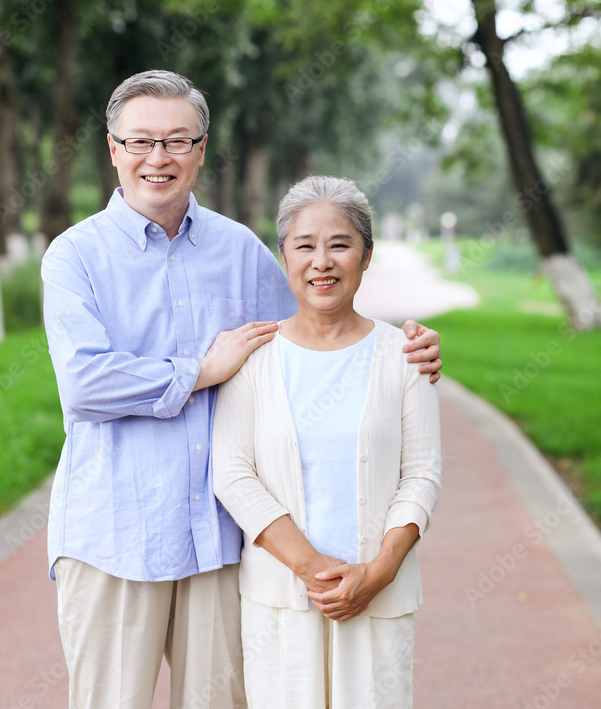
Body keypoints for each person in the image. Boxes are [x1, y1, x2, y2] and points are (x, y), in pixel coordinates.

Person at [41, 70, 443, 709]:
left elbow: (321, 326)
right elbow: (85, 383)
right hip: (114, 534)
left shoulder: (243, 253)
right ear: (113, 148)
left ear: (201, 149)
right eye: (140, 142)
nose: (158, 158)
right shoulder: (75, 257)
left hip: (219, 541)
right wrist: (201, 369)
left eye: (177, 141)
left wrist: (407, 350)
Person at [213, 175, 442, 709]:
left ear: (366, 257)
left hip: (380, 597)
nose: (322, 261)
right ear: (284, 256)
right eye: (305, 246)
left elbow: (423, 473)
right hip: (280, 602)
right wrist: (319, 572)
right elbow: (233, 474)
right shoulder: (253, 358)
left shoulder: (404, 355)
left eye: (340, 244)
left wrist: (377, 572)